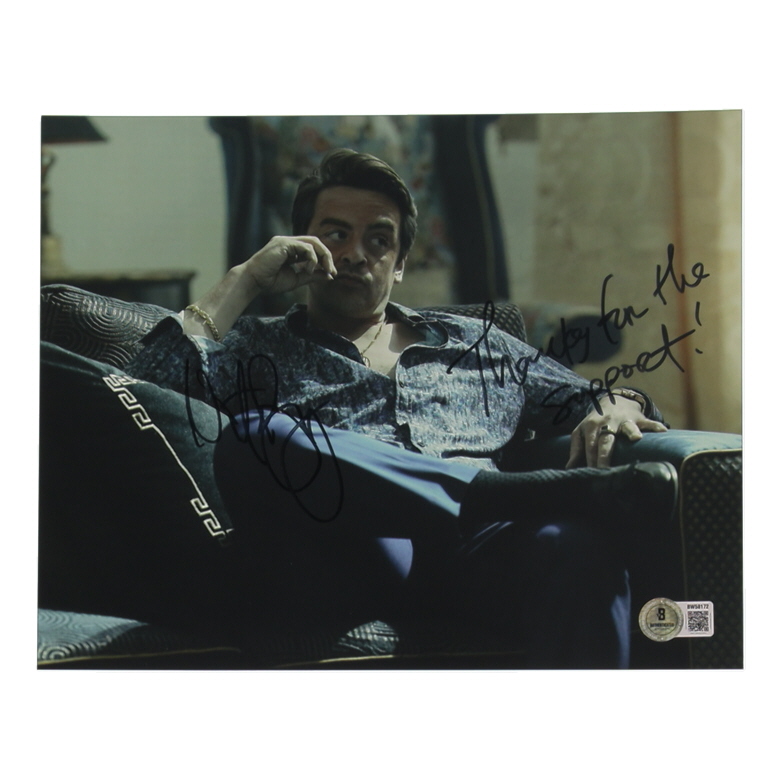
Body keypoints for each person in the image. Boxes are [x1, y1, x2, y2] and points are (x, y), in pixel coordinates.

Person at [126, 148, 678, 668]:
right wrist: (246, 278)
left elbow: (599, 398)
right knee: (256, 434)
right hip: (354, 552)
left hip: (482, 552)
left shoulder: (476, 343)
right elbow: (141, 391)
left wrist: (616, 403)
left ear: (400, 264)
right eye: (335, 234)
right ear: (301, 245)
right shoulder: (255, 345)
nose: (354, 253)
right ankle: (510, 495)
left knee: (578, 548)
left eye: (379, 240)